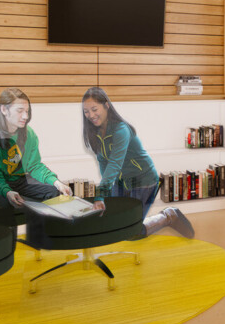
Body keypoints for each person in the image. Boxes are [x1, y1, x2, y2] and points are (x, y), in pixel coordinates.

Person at [80, 87, 193, 238]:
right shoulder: (95, 133)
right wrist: (105, 193)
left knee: (131, 232)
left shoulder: (121, 130)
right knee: (114, 225)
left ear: (106, 105)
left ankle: (168, 216)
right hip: (121, 183)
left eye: (94, 109)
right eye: (86, 111)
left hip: (143, 181)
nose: (91, 115)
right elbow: (103, 163)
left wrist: (100, 194)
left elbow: (114, 164)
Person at [0, 88, 71, 226]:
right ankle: (7, 244)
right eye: (20, 111)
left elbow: (34, 166)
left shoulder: (29, 133)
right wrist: (7, 192)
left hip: (18, 179)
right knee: (5, 202)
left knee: (53, 192)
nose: (25, 116)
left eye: (27, 111)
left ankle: (47, 239)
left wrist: (56, 182)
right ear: (4, 110)